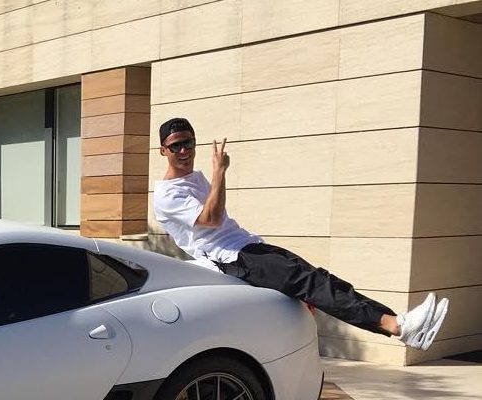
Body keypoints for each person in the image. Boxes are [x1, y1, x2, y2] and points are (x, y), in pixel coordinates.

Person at [152, 117, 448, 351]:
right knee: (313, 283)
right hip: (232, 257)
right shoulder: (168, 194)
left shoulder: (195, 177)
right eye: (175, 146)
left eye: (188, 143)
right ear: (163, 150)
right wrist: (220, 173)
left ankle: (400, 327)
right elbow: (212, 219)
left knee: (320, 281)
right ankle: (400, 326)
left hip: (248, 246)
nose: (183, 151)